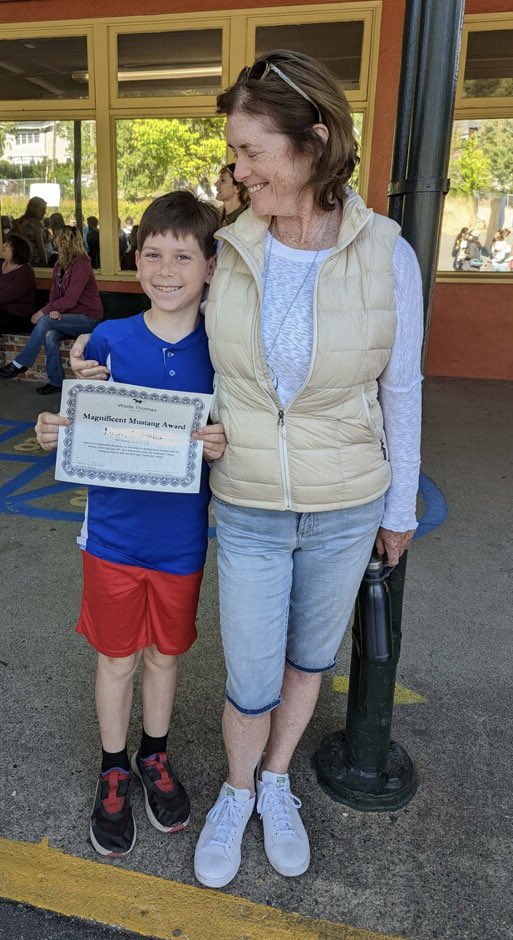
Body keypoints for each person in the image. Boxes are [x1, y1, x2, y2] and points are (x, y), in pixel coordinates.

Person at [67, 49, 423, 889]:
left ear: (315, 142)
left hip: (348, 500)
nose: (238, 167)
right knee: (253, 668)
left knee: (308, 660)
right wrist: (96, 358)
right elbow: (175, 331)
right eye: (234, 152)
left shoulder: (388, 254)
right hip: (253, 501)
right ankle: (233, 792)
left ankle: (274, 784)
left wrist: (398, 506)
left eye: (252, 151)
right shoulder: (228, 251)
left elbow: (400, 390)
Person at [34, 190, 226, 859]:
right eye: (152, 253)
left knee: (165, 656)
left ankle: (154, 754)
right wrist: (55, 426)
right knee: (116, 658)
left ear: (210, 264)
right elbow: (78, 425)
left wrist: (222, 441)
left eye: (183, 254)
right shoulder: (108, 339)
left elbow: (241, 428)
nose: (166, 268)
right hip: (112, 534)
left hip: (181, 540)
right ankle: (113, 765)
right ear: (135, 260)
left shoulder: (225, 347)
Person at [0, 225, 103, 394]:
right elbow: (54, 295)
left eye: (57, 238)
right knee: (49, 335)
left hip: (88, 319)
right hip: (67, 318)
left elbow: (71, 298)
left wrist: (44, 311)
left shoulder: (82, 265)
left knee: (45, 320)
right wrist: (54, 309)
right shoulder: (58, 265)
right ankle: (56, 381)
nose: (53, 241)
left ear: (64, 241)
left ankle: (21, 363)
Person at [0, 233, 36, 331]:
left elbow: (9, 295)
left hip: (17, 314)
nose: (3, 245)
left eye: (7, 244)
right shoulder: (1, 263)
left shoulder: (25, 271)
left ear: (16, 250)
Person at [13, 196, 48, 266]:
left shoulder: (18, 222)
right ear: (32, 208)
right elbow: (41, 248)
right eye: (42, 209)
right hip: (32, 263)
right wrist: (45, 264)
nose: (45, 212)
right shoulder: (36, 225)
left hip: (16, 261)